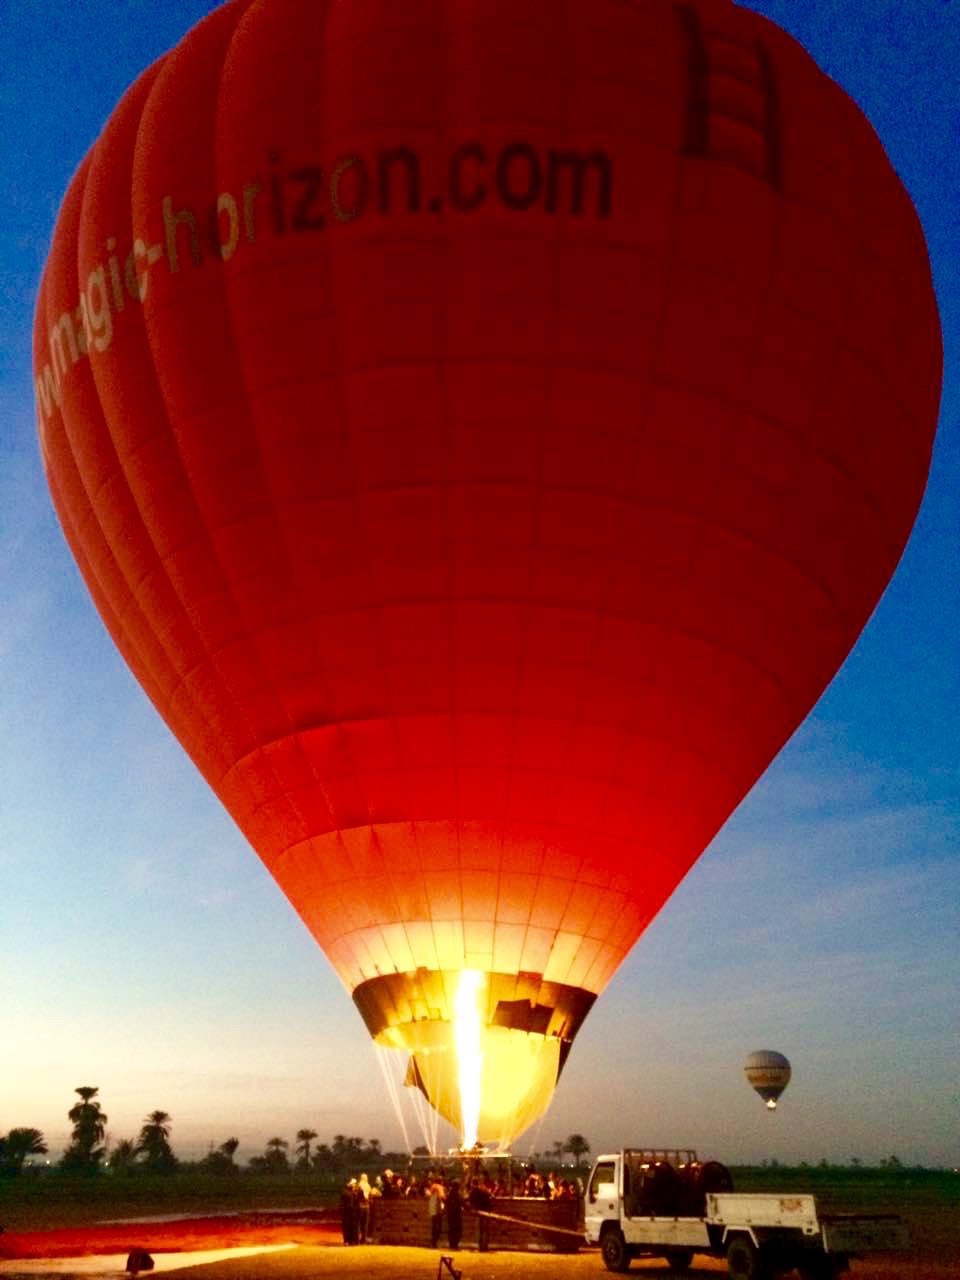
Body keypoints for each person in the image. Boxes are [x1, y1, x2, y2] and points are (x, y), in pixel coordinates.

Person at [469, 1177, 492, 1252]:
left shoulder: (473, 1191)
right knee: (485, 1229)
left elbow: (471, 1201)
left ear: (472, 1183)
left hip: (479, 1211)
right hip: (487, 1211)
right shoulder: (483, 1189)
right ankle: (485, 1246)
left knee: (480, 1229)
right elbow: (490, 1196)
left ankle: (480, 1246)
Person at [446, 1180, 463, 1249]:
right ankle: (454, 1244)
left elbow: (446, 1201)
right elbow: (461, 1202)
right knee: (457, 1229)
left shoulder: (449, 1193)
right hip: (456, 1214)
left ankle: (452, 1244)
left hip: (451, 1214)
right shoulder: (456, 1194)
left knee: (451, 1230)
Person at [340, 1179, 358, 1245]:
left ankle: (347, 1241)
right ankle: (349, 1241)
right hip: (350, 1212)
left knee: (347, 1227)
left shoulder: (346, 1192)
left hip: (348, 1212)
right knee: (350, 1227)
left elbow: (341, 1203)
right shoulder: (352, 1193)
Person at [428, 1177, 445, 1247]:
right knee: (439, 1227)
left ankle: (433, 1242)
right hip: (438, 1209)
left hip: (432, 1209)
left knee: (434, 1226)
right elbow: (442, 1197)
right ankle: (435, 1242)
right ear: (441, 1181)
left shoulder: (432, 1187)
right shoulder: (439, 1187)